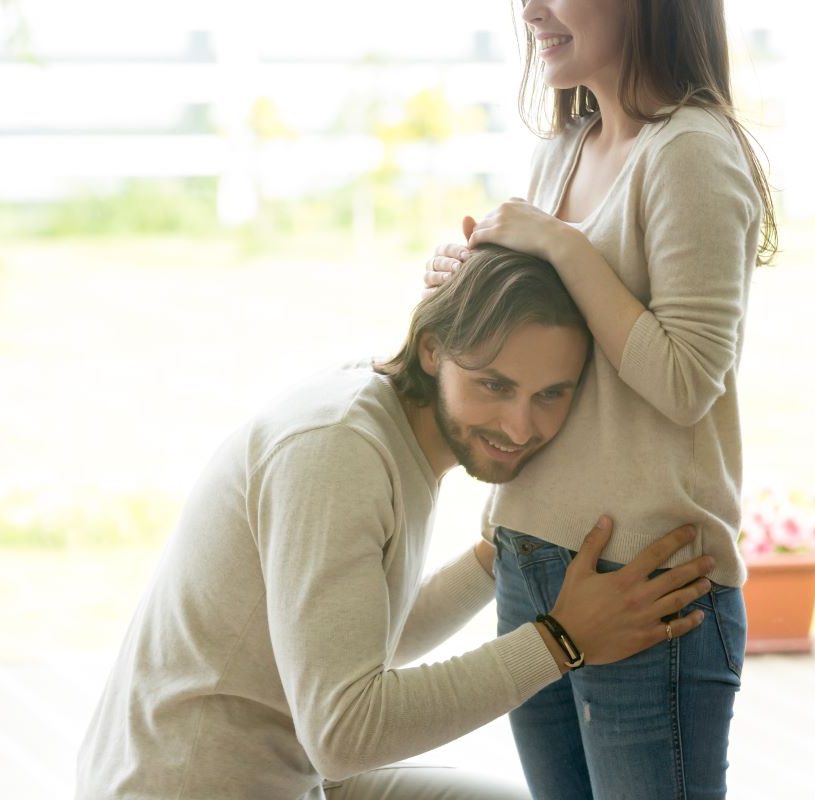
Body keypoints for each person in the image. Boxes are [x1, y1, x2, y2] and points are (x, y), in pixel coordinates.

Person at [75, 246, 716, 800]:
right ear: (433, 349)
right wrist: (562, 640)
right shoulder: (337, 451)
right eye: (495, 385)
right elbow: (345, 732)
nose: (523, 427)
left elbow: (361, 638)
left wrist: (496, 557)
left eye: (550, 394)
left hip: (288, 778)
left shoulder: (385, 419)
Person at [423, 2, 778, 798]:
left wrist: (559, 245)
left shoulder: (691, 151)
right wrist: (467, 285)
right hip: (532, 567)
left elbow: (686, 380)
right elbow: (559, 352)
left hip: (647, 590)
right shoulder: (567, 148)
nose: (532, 9)